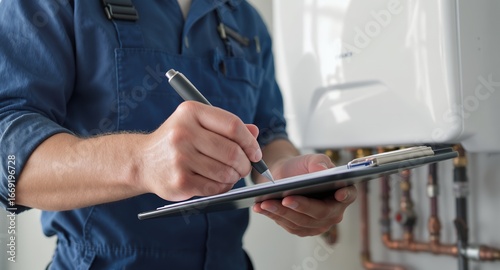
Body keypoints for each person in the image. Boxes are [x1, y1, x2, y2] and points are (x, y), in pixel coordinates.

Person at [0, 0, 357, 269]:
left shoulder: (245, 19)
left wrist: (288, 173)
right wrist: (140, 162)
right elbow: (9, 159)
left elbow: (269, 134)